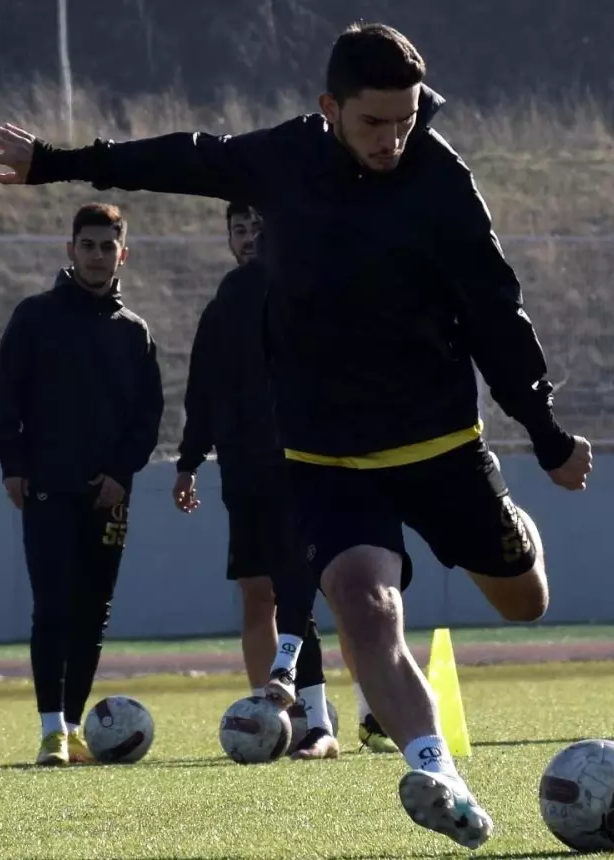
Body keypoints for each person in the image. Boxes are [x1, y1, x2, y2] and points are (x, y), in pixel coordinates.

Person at [0, 21, 590, 848]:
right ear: (330, 107)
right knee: (367, 609)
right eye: (374, 122)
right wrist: (55, 161)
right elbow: (183, 158)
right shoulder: (284, 158)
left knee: (524, 600)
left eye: (406, 120)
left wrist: (544, 434)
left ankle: (510, 531)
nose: (393, 139)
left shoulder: (441, 182)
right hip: (326, 453)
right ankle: (437, 770)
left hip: (438, 444)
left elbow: (496, 317)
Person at [174, 202, 399, 759]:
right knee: (259, 592)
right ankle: (274, 718)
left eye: (257, 226)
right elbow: (202, 388)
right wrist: (189, 458)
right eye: (239, 228)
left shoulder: (304, 288)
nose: (249, 237)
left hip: (301, 465)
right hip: (243, 471)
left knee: (318, 589)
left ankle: (339, 718)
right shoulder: (224, 303)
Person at [0, 203, 165, 766]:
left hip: (109, 496)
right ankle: (50, 731)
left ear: (122, 254)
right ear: (70, 250)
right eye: (86, 245)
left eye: (107, 247)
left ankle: (71, 723)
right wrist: (12, 464)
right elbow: (3, 399)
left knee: (92, 612)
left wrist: (121, 473)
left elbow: (147, 417)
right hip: (47, 486)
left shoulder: (134, 333)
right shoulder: (34, 317)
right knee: (54, 608)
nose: (96, 255)